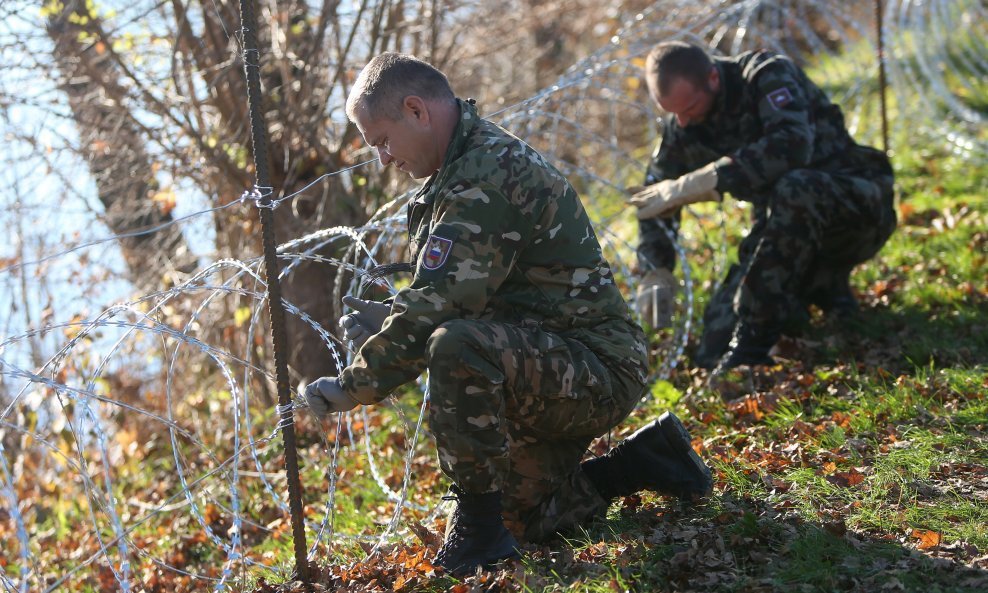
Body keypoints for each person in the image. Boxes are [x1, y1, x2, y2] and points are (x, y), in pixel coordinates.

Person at [300, 53, 713, 577]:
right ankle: (643, 462)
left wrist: (354, 385)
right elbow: (474, 290)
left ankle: (478, 534)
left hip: (594, 367)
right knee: (526, 520)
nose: (382, 158)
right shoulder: (458, 170)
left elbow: (443, 306)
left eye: (382, 140)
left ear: (415, 110)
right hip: (545, 361)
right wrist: (393, 319)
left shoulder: (485, 174)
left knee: (454, 344)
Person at [628, 41, 897, 371]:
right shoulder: (685, 122)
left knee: (796, 187)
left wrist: (710, 179)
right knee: (714, 344)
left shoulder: (765, 76)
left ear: (713, 78)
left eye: (689, 108)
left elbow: (792, 145)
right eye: (673, 114)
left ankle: (753, 346)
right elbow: (656, 194)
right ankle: (818, 286)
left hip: (856, 209)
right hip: (782, 230)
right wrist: (656, 268)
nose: (682, 122)